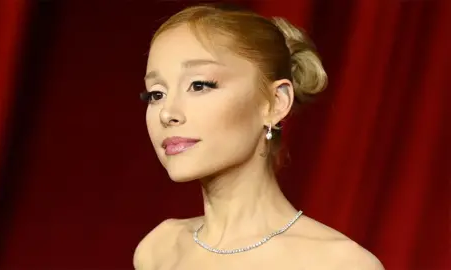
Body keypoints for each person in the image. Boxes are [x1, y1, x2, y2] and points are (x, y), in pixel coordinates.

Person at [134, 3, 384, 270]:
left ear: (275, 102)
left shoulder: (338, 263)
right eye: (156, 94)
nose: (167, 113)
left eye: (198, 85)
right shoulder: (160, 250)